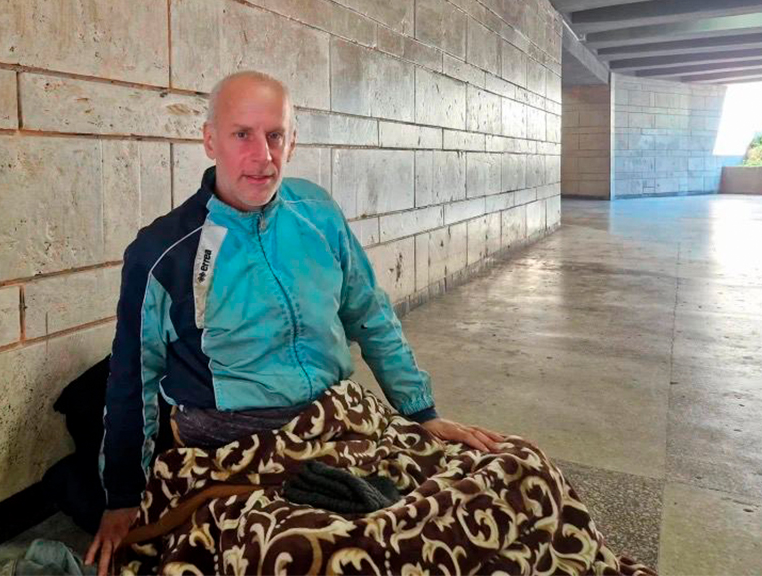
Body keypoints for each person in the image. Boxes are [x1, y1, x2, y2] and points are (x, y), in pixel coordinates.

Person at [84, 71, 504, 575]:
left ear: (292, 141)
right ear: (210, 140)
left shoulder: (317, 212)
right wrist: (122, 496)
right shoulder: (162, 252)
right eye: (243, 134)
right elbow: (133, 377)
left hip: (341, 420)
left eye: (275, 135)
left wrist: (421, 411)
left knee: (511, 471)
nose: (263, 156)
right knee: (323, 555)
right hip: (235, 445)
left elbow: (369, 311)